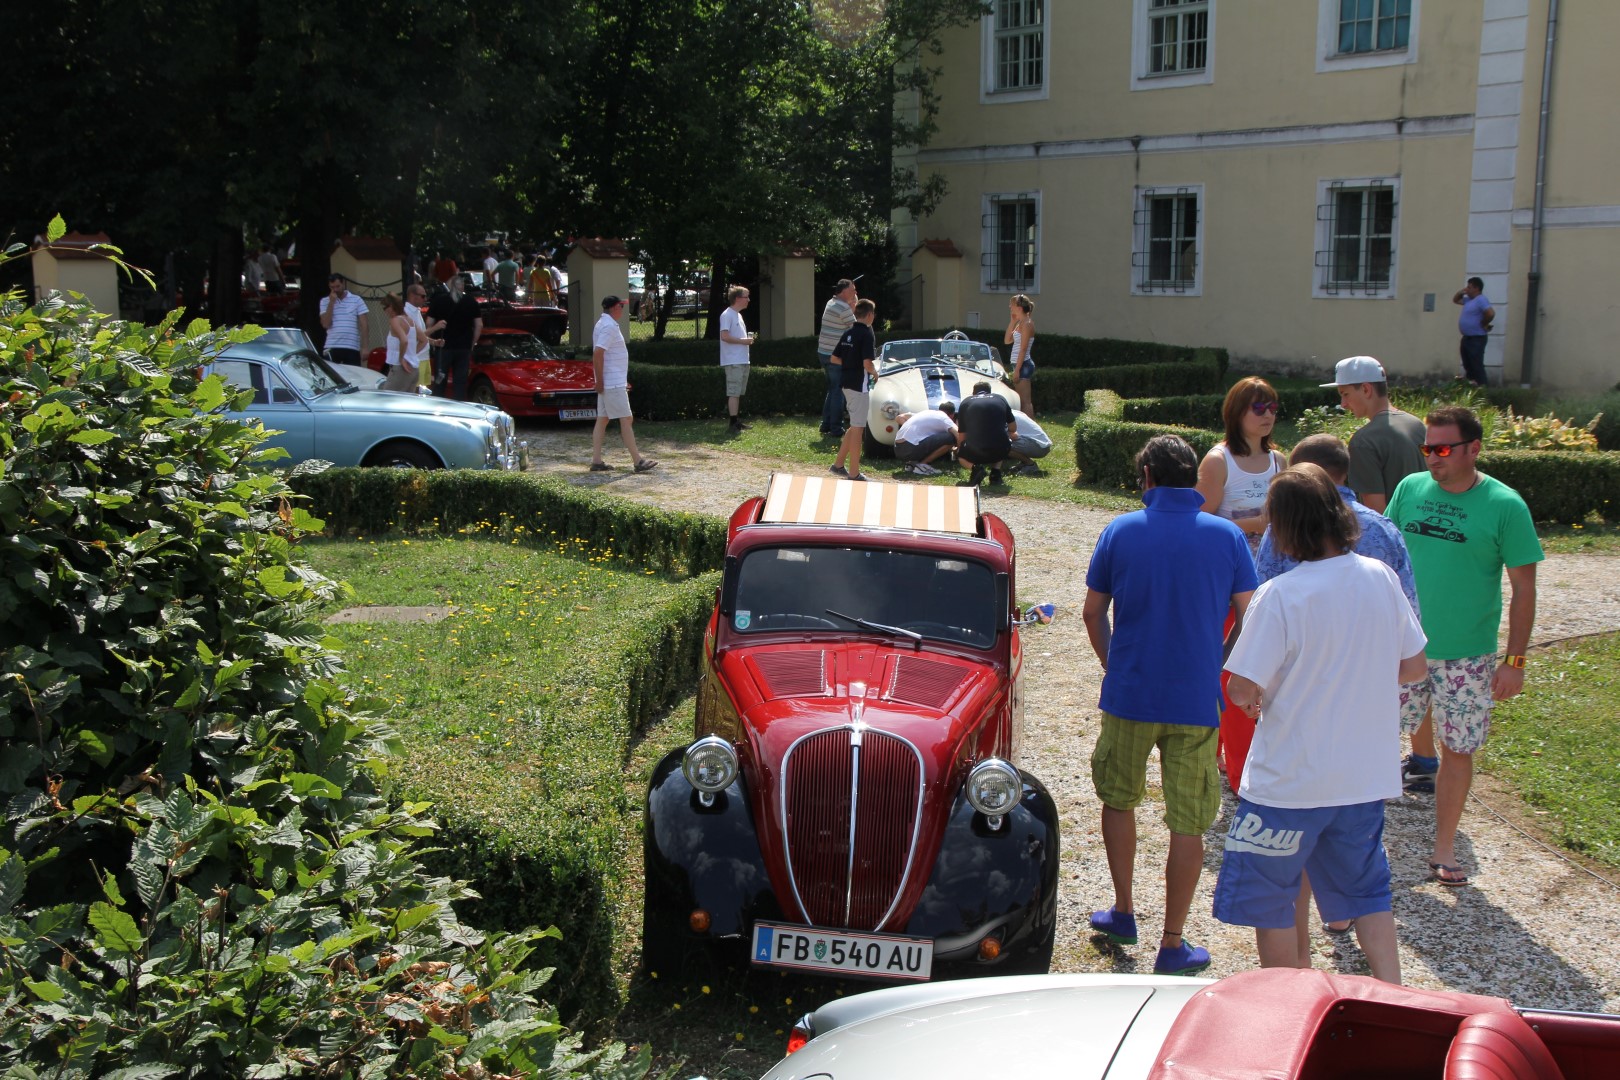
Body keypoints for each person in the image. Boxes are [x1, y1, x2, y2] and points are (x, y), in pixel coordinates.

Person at [1218, 465, 1428, 985]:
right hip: (1363, 775)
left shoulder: (1282, 594)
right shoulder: (1379, 577)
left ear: (1285, 528)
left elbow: (1242, 687)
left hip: (1290, 781)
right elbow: (1413, 666)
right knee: (1368, 893)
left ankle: (1290, 999)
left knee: (1275, 901)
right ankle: (1392, 990)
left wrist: (1258, 698)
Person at [1082, 434, 1256, 976]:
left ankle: (1124, 910)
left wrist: (1115, 665)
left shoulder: (1121, 530)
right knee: (1189, 823)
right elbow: (1251, 617)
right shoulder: (1228, 537)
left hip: (1131, 693)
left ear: (1148, 479)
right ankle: (1173, 941)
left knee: (1120, 799)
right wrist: (1217, 665)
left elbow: (1092, 613)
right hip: (1196, 700)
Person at [1386, 406, 1542, 887]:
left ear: (1474, 448)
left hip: (1467, 657)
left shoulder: (1506, 506)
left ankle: (1445, 847)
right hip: (1400, 649)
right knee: (1372, 742)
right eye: (1427, 448)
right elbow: (1381, 558)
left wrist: (1514, 661)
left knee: (1458, 747)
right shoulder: (1409, 490)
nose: (1432, 458)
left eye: (1443, 449)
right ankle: (1365, 850)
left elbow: (1525, 591)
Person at [1321, 355, 1425, 514]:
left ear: (1366, 389)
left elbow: (1376, 516)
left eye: (1345, 394)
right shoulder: (1417, 424)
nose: (1343, 404)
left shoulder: (1363, 442)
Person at [1196, 378, 1286, 560]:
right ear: (1236, 413)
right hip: (1230, 562)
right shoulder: (1218, 461)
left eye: (1273, 408)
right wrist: (1254, 524)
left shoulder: (1279, 461)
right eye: (1259, 408)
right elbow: (1197, 523)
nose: (1268, 415)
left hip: (1273, 565)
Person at [589, 296, 657, 474]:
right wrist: (601, 381)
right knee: (626, 418)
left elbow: (599, 353)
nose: (623, 309)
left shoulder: (603, 323)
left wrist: (600, 380)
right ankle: (638, 461)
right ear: (613, 308)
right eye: (621, 306)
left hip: (610, 381)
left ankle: (596, 461)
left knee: (603, 420)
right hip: (612, 383)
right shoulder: (609, 326)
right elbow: (598, 353)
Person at [830, 298, 878, 482]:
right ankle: (854, 473)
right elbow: (867, 363)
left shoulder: (848, 332)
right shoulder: (866, 334)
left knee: (854, 425)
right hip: (859, 385)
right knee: (858, 429)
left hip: (846, 383)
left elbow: (834, 358)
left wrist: (851, 363)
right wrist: (875, 373)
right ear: (870, 315)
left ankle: (839, 464)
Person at [428, 273, 482, 400]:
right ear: (462, 286)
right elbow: (479, 325)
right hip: (463, 348)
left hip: (443, 347)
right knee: (460, 383)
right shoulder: (471, 301)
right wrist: (472, 343)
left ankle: (437, 407)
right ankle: (458, 408)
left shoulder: (439, 300)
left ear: (449, 286)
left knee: (440, 381)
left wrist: (431, 340)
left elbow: (429, 323)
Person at [955, 382, 1017, 487]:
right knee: (1001, 437)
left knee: (961, 456)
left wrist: (959, 449)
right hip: (1001, 449)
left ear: (973, 392)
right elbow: (1013, 428)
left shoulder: (966, 402)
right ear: (989, 391)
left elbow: (962, 435)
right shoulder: (1000, 399)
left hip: (975, 450)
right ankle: (995, 474)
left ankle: (976, 469)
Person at [817, 279, 858, 437]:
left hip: (824, 353)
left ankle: (826, 424)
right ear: (844, 291)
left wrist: (851, 307)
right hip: (835, 356)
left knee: (832, 389)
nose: (855, 293)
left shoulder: (831, 302)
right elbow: (858, 328)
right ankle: (836, 428)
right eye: (853, 290)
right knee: (838, 392)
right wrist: (853, 307)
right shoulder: (843, 308)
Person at [718, 285, 755, 433]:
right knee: (733, 391)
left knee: (738, 392)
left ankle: (736, 420)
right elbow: (724, 336)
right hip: (733, 361)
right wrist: (744, 341)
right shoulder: (727, 315)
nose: (748, 300)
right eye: (746, 297)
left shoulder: (738, 315)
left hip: (741, 359)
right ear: (738, 298)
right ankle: (733, 422)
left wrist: (745, 341)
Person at [894, 402, 958, 476]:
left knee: (921, 437)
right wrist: (959, 450)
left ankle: (912, 463)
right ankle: (923, 464)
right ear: (952, 415)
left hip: (897, 448)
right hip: (910, 448)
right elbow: (958, 434)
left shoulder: (925, 413)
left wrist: (911, 430)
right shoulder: (944, 418)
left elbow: (899, 417)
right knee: (951, 438)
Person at [319, 273, 370, 368]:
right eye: (332, 287)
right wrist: (331, 303)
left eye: (338, 286)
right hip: (332, 345)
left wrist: (365, 347)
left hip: (351, 346)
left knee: (354, 376)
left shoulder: (356, 300)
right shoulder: (324, 301)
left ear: (343, 284)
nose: (335, 290)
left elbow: (364, 324)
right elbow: (326, 324)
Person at [1452, 277, 1495, 385]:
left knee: (1476, 366)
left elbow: (1490, 313)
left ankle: (1483, 390)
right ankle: (1472, 389)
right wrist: (1462, 291)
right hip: (1467, 338)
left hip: (1476, 339)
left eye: (1469, 287)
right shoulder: (1468, 300)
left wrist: (1484, 323)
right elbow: (1455, 300)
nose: (1467, 289)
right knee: (1468, 365)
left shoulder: (1481, 299)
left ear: (1477, 288)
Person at [404, 282, 445, 390]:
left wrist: (433, 342)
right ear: (413, 296)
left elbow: (421, 335)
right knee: (416, 391)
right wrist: (435, 328)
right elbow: (416, 336)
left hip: (423, 357)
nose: (425, 299)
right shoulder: (407, 313)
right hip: (416, 359)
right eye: (422, 296)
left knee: (423, 390)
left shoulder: (416, 311)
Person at [379, 294, 420, 394]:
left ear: (391, 307)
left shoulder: (395, 321)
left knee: (387, 399)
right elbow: (423, 340)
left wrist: (401, 359)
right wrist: (411, 354)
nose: (384, 311)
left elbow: (404, 340)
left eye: (385, 307)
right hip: (414, 368)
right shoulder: (410, 321)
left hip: (400, 368)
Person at [1005, 293, 1036, 417]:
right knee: (1022, 402)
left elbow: (1023, 349)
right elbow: (1007, 340)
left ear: (1019, 307)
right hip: (1020, 364)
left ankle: (1033, 432)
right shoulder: (1021, 322)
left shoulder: (1027, 323)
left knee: (1025, 403)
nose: (1009, 307)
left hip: (1023, 365)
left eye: (1011, 305)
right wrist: (1012, 322)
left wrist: (1017, 370)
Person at [1005, 409, 1052, 475]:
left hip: (1038, 447)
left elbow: (1013, 436)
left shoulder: (1004, 416)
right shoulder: (1013, 411)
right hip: (1041, 444)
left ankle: (1030, 465)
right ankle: (1024, 463)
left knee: (1003, 446)